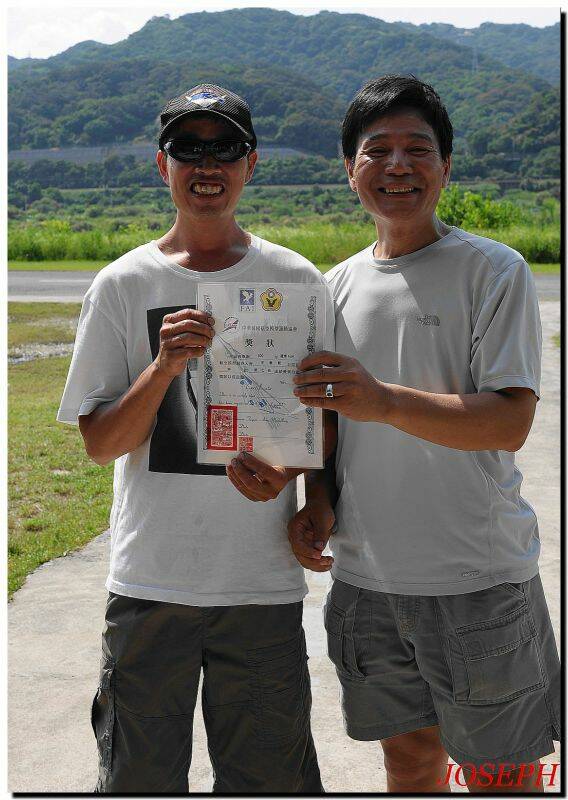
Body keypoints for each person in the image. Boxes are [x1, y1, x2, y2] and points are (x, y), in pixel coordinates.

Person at [287, 75, 560, 793]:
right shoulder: (334, 286)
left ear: (446, 165)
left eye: (418, 148)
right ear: (350, 169)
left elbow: (509, 420)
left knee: (502, 775)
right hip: (367, 582)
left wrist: (383, 400)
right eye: (377, 150)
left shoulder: (493, 271)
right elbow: (327, 420)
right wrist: (318, 498)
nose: (398, 166)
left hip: (478, 579)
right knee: (408, 762)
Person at [57, 84, 332, 793]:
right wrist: (163, 367)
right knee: (138, 778)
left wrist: (299, 484)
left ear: (251, 164)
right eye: (188, 148)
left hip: (261, 583)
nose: (207, 165)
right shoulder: (122, 284)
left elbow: (322, 417)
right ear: (162, 165)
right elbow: (101, 443)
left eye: (225, 148)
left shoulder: (295, 279)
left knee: (269, 780)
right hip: (151, 580)